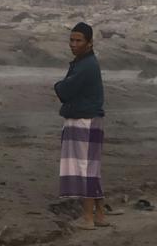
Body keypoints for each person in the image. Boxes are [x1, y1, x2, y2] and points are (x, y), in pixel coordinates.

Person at [54, 22, 107, 229]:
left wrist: (58, 85)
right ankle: (99, 215)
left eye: (78, 40)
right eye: (71, 40)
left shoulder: (86, 66)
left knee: (85, 169)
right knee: (91, 168)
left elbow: (64, 91)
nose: (73, 44)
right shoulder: (85, 62)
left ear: (89, 42)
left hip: (84, 120)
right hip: (88, 118)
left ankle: (87, 218)